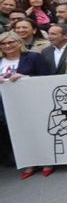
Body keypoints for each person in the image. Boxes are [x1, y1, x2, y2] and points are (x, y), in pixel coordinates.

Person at [0, 31, 50, 177]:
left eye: (11, 42)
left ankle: (47, 160)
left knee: (36, 130)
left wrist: (26, 77)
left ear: (19, 42)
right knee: (17, 133)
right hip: (5, 105)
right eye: (3, 43)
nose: (7, 46)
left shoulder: (33, 57)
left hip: (30, 102)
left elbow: (46, 78)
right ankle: (29, 162)